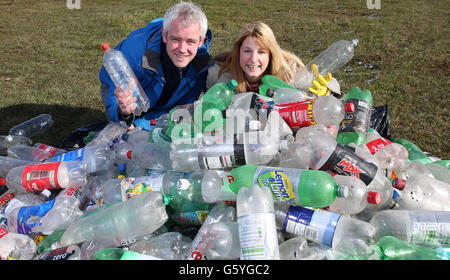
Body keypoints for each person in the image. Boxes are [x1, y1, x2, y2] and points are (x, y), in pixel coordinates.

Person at [99, 1, 214, 130]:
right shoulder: (134, 53)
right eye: (175, 39)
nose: (182, 49)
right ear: (164, 35)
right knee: (123, 130)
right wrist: (123, 113)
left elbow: (184, 103)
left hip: (164, 100)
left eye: (190, 41)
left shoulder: (201, 61)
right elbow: (115, 97)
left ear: (200, 41)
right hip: (120, 87)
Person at [206, 21, 305, 94]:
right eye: (247, 51)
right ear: (238, 51)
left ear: (271, 54)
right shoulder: (220, 75)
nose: (253, 59)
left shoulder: (292, 74)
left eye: (261, 52)